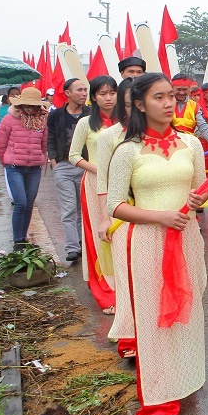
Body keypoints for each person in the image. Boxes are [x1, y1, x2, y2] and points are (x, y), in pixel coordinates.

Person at [106, 73, 208, 415]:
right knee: (154, 321)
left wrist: (199, 199)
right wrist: (160, 217)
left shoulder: (191, 143)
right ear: (139, 104)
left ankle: (183, 379)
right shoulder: (127, 150)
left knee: (187, 313)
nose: (169, 104)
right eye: (159, 98)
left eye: (171, 97)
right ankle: (157, 398)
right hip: (148, 243)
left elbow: (201, 190)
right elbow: (116, 206)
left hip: (187, 239)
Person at [68, 76, 118, 314]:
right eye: (102, 93)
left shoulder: (126, 122)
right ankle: (105, 292)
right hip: (94, 183)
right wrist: (98, 168)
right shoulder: (86, 123)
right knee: (99, 235)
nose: (108, 98)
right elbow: (74, 155)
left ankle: (124, 289)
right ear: (94, 97)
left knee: (121, 234)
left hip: (122, 183)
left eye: (112, 93)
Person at [97, 77, 137, 359]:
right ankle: (130, 338)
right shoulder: (109, 136)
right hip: (122, 216)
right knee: (126, 280)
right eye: (127, 105)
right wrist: (103, 219)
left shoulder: (162, 137)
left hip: (155, 217)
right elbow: (103, 182)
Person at [0, 88, 49, 248]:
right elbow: (0, 145)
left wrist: (40, 158)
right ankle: (17, 240)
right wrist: (6, 163)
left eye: (34, 106)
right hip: (14, 168)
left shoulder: (42, 121)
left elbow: (43, 144)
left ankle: (23, 238)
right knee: (21, 203)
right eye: (28, 105)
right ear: (21, 104)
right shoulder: (8, 120)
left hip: (34, 168)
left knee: (29, 203)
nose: (31, 109)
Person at [47, 78, 90, 262]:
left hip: (86, 166)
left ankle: (83, 243)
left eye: (85, 90)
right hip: (63, 165)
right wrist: (53, 159)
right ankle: (72, 247)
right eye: (79, 90)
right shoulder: (56, 115)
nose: (83, 94)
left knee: (84, 207)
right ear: (67, 93)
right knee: (69, 208)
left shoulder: (91, 114)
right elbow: (50, 136)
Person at [171, 73, 208, 147]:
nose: (181, 92)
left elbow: (203, 126)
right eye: (178, 89)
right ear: (172, 88)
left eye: (185, 89)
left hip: (189, 145)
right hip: (169, 144)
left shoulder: (194, 106)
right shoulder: (165, 103)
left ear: (189, 89)